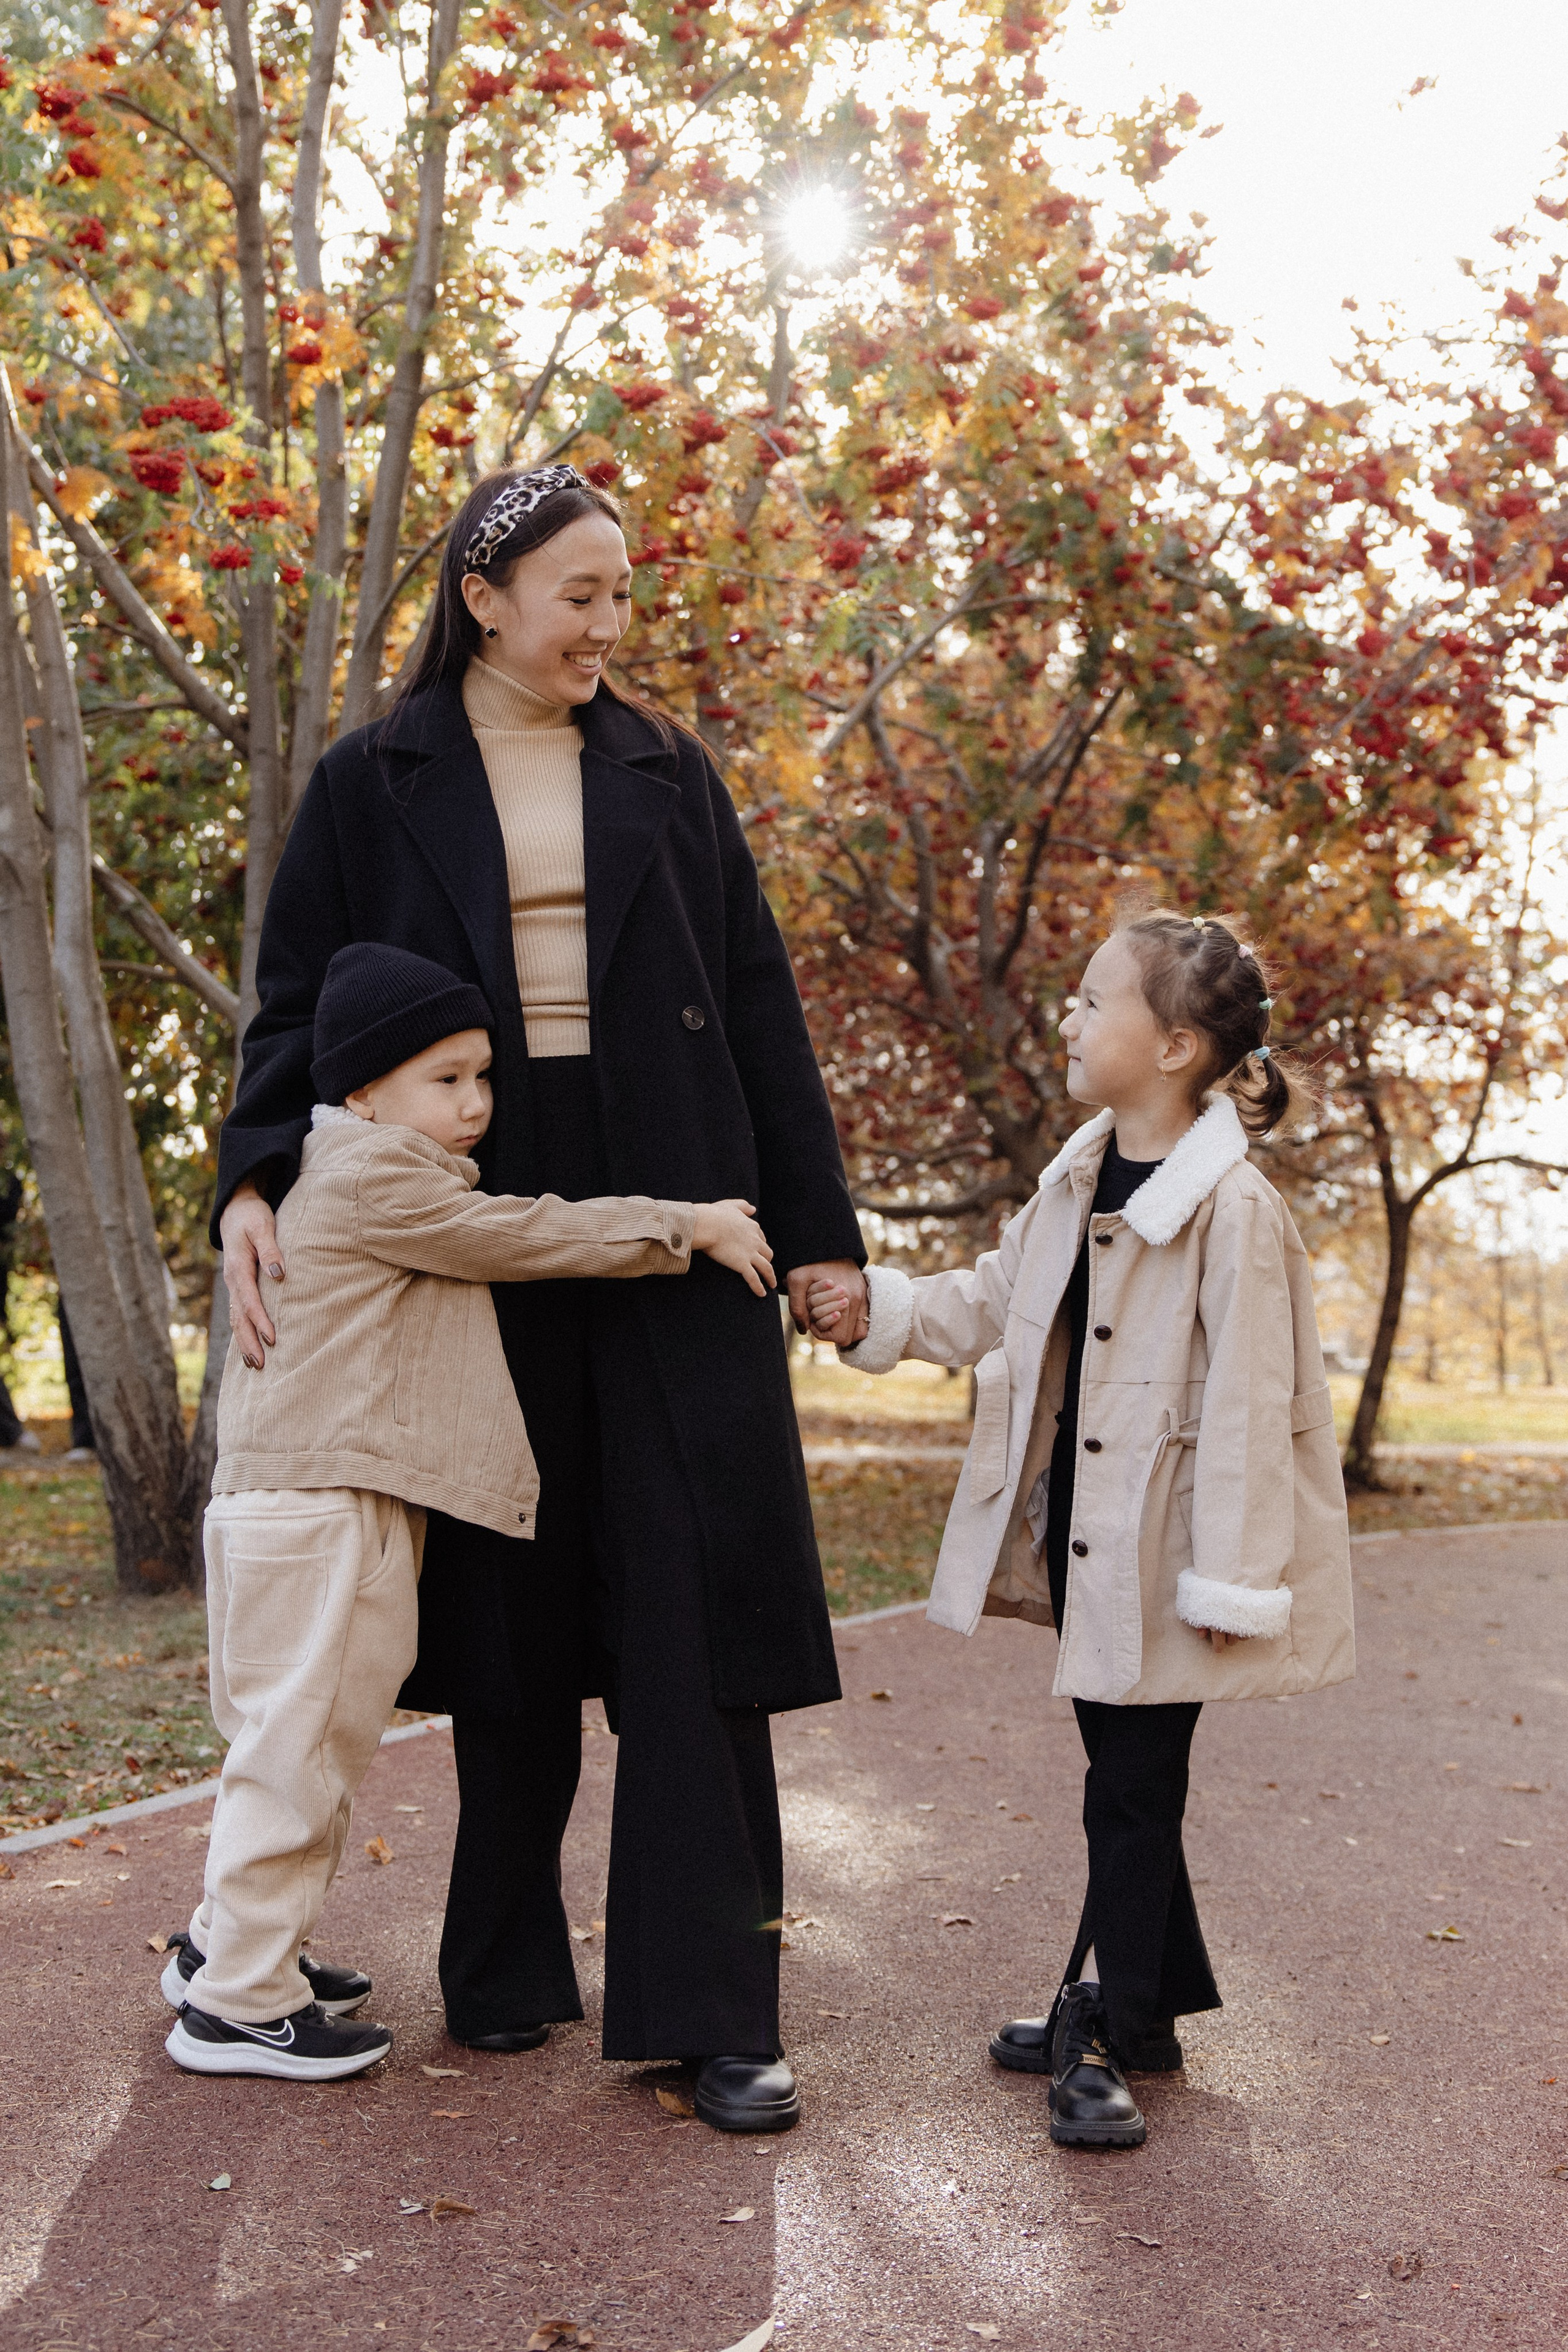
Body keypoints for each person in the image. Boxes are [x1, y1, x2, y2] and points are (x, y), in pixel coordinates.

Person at [213, 463, 867, 2130]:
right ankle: (503, 1974)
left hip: (684, 1204)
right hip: (466, 1205)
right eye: (580, 593)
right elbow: (296, 1008)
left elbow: (760, 998)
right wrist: (246, 1182)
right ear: (485, 598)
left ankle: (715, 2009)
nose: (610, 627)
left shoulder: (666, 767)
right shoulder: (376, 779)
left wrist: (817, 1229)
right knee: (504, 1607)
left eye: (623, 595)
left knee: (693, 1613)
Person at [165, 941, 775, 2082]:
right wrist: (683, 1224)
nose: (476, 1104)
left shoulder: (336, 1170)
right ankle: (237, 2004)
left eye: (483, 1077)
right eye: (444, 1079)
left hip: (311, 1502)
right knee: (298, 1753)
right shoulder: (373, 1178)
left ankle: (231, 1953)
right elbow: (524, 1234)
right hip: (323, 1510)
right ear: (361, 1091)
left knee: (297, 1747)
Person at [809, 911, 1354, 2149]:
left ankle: (1103, 2030)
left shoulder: (1231, 1211)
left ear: (1170, 1046)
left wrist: (1230, 1583)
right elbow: (994, 1303)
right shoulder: (1075, 1174)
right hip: (1087, 1537)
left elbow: (1248, 1415)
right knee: (1125, 1781)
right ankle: (1147, 2006)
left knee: (1130, 1788)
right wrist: (868, 1309)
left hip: (1172, 1555)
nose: (1066, 1014)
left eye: (1092, 998)